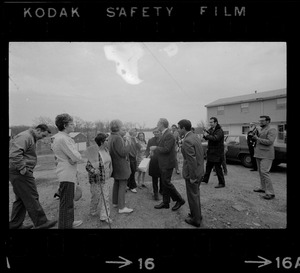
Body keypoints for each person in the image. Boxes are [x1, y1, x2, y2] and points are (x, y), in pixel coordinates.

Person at [9, 124, 57, 229]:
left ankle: (15, 225)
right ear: (38, 130)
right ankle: (41, 223)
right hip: (19, 172)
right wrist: (22, 168)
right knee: (31, 195)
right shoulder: (25, 136)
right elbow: (14, 154)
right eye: (43, 135)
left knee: (22, 198)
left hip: (17, 171)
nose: (42, 138)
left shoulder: (30, 137)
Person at [52, 113, 83, 229]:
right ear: (65, 125)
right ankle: (65, 225)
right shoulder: (63, 139)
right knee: (66, 203)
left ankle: (69, 222)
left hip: (66, 171)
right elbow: (77, 157)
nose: (73, 125)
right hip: (67, 173)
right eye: (71, 124)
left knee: (68, 200)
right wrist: (74, 158)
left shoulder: (57, 137)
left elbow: (72, 157)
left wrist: (72, 158)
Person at [150, 118, 185, 211]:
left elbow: (166, 149)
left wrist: (155, 148)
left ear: (162, 124)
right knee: (165, 183)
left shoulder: (169, 135)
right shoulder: (164, 134)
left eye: (158, 123)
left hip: (167, 163)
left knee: (166, 183)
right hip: (163, 163)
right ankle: (166, 202)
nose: (157, 125)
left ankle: (179, 200)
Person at [178, 119, 204, 227]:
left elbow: (191, 160)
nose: (178, 130)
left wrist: (192, 176)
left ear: (183, 128)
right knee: (196, 195)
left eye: (179, 128)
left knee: (192, 196)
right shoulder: (195, 136)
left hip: (193, 174)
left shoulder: (187, 140)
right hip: (199, 170)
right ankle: (197, 214)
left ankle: (195, 220)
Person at [85, 133, 113, 224]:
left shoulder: (106, 150)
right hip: (96, 180)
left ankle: (104, 216)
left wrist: (110, 171)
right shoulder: (94, 152)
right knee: (96, 197)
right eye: (107, 140)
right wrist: (94, 170)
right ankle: (93, 209)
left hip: (106, 178)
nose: (108, 141)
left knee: (106, 197)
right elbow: (88, 167)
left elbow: (109, 163)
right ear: (102, 142)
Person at [107, 119, 133, 213]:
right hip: (121, 165)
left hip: (115, 164)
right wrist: (129, 145)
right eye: (122, 126)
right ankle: (122, 207)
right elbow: (122, 153)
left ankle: (115, 202)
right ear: (118, 127)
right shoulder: (117, 138)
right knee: (123, 184)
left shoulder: (111, 136)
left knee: (116, 183)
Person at [252, 115, 277, 200]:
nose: (260, 122)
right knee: (260, 172)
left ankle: (270, 193)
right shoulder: (260, 129)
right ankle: (263, 188)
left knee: (265, 173)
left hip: (266, 155)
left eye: (262, 121)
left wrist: (257, 138)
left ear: (268, 121)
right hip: (258, 154)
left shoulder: (272, 129)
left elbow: (270, 142)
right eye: (260, 121)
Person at [201, 117, 225, 188]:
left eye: (211, 122)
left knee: (218, 168)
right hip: (211, 152)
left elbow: (215, 138)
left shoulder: (219, 131)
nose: (210, 124)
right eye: (210, 122)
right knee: (208, 167)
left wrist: (207, 135)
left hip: (217, 153)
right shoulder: (211, 129)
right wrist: (205, 134)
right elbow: (206, 137)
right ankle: (205, 180)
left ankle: (222, 183)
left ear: (216, 122)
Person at [145, 128, 162, 200]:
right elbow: (147, 150)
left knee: (162, 177)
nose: (156, 133)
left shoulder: (163, 139)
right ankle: (155, 193)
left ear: (160, 132)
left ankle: (162, 191)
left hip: (162, 161)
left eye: (157, 132)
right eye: (154, 132)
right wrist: (147, 155)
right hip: (154, 161)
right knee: (154, 178)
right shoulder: (151, 140)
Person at [126, 128, 141, 193]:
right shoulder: (128, 139)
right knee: (132, 171)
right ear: (131, 132)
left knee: (133, 171)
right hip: (130, 157)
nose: (136, 132)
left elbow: (139, 147)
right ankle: (132, 186)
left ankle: (129, 185)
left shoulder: (135, 139)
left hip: (134, 156)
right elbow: (127, 147)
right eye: (135, 131)